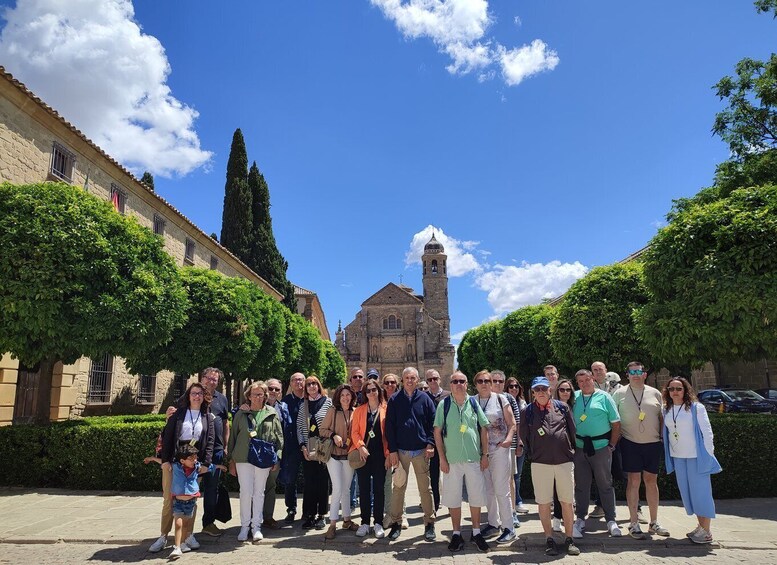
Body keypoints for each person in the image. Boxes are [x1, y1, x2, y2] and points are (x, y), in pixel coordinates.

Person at [520, 377, 580, 556]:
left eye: (543, 389)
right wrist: (535, 453)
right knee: (544, 502)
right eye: (536, 389)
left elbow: (572, 430)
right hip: (540, 463)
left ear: (549, 391)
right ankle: (550, 539)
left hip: (564, 461)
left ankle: (569, 539)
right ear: (532, 392)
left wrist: (570, 451)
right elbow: (524, 435)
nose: (540, 392)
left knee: (567, 502)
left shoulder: (563, 407)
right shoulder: (527, 412)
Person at [433, 371, 491, 552]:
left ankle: (476, 532)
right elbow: (437, 432)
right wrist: (442, 458)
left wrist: (485, 455)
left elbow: (483, 428)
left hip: (474, 459)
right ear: (450, 385)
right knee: (453, 498)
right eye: (455, 381)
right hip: (451, 461)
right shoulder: (444, 404)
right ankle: (456, 534)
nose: (458, 384)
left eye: (462, 381)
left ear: (467, 384)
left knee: (476, 496)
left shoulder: (473, 403)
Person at [612, 361, 670, 539]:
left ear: (644, 374)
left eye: (639, 371)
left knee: (651, 480)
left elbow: (662, 417)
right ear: (627, 375)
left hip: (653, 443)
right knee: (634, 481)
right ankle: (633, 523)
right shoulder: (618, 394)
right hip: (630, 443)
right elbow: (614, 419)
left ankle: (653, 522)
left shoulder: (656, 393)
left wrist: (661, 438)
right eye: (632, 372)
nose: (636, 374)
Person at [159, 381, 215, 553]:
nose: (196, 396)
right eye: (193, 393)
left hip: (194, 464)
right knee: (170, 499)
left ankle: (188, 535)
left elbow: (210, 442)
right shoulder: (178, 414)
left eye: (199, 393)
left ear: (204, 396)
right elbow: (168, 437)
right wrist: (165, 461)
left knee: (191, 500)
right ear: (188, 396)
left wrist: (205, 464)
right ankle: (163, 536)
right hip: (175, 463)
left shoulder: (207, 417)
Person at [662, 377, 720, 544]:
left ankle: (707, 531)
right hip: (679, 457)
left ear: (685, 390)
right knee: (689, 494)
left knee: (701, 494)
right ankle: (700, 527)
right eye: (671, 388)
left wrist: (708, 455)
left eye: (678, 389)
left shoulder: (696, 408)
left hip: (696, 457)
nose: (675, 392)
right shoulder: (667, 409)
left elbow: (707, 433)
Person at [385, 366, 437, 541]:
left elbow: (433, 423)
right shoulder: (394, 400)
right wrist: (392, 451)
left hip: (421, 451)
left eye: (413, 378)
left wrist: (431, 443)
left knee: (425, 489)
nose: (409, 380)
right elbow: (389, 428)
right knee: (398, 488)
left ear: (417, 379)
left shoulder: (426, 399)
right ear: (402, 379)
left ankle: (429, 523)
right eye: (406, 377)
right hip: (400, 452)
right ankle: (396, 523)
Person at [228, 381, 283, 542]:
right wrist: (231, 460)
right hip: (243, 458)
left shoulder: (272, 413)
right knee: (245, 493)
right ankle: (244, 527)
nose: (258, 397)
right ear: (249, 396)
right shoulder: (241, 413)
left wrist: (276, 457)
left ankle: (256, 527)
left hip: (264, 459)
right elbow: (233, 437)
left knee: (259, 493)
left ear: (265, 396)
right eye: (255, 394)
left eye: (261, 394)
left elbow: (279, 437)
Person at [571, 369, 622, 539]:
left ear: (592, 379)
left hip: (601, 447)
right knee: (581, 485)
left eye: (587, 379)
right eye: (580, 381)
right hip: (580, 448)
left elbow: (616, 424)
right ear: (577, 383)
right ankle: (580, 518)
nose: (584, 383)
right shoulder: (574, 397)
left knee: (605, 484)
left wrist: (612, 446)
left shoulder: (604, 397)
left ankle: (610, 520)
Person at [474, 370, 517, 544]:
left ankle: (509, 527)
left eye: (487, 380)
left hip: (499, 449)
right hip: (481, 452)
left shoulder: (500, 399)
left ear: (492, 383)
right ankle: (493, 523)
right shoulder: (472, 401)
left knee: (501, 489)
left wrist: (508, 440)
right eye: (480, 381)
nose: (484, 383)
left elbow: (512, 423)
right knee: (488, 490)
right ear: (475, 384)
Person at [168, 444, 226, 560]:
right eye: (191, 459)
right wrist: (152, 459)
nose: (194, 460)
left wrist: (220, 466)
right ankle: (177, 547)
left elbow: (210, 467)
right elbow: (163, 462)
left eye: (195, 458)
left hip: (190, 502)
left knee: (185, 525)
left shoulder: (197, 467)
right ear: (182, 460)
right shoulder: (175, 467)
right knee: (178, 524)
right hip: (178, 502)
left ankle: (183, 543)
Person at [349, 378, 389, 538]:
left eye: (374, 390)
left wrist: (389, 454)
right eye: (368, 391)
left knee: (379, 490)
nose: (371, 393)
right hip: (362, 455)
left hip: (380, 455)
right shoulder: (359, 410)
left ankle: (378, 522)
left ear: (379, 391)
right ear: (364, 394)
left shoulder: (386, 409)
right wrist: (361, 446)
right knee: (364, 490)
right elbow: (354, 432)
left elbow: (390, 433)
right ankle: (365, 522)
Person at [589, 361, 625, 521]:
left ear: (606, 370)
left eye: (600, 369)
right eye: (594, 370)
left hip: (618, 434)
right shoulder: (588, 388)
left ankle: (636, 508)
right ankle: (600, 505)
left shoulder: (617, 386)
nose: (597, 372)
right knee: (600, 472)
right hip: (600, 436)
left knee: (624, 471)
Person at [320, 384, 357, 539]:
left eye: (348, 395)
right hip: (334, 456)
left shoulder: (356, 412)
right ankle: (333, 523)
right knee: (337, 488)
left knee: (347, 489)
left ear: (352, 397)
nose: (345, 398)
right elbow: (322, 430)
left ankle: (347, 520)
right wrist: (334, 435)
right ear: (338, 397)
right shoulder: (332, 411)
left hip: (348, 455)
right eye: (342, 395)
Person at [197, 368, 230, 538]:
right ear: (202, 378)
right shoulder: (194, 395)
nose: (211, 382)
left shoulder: (222, 399)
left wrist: (225, 446)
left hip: (216, 452)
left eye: (215, 380)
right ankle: (184, 526)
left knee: (211, 489)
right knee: (189, 489)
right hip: (194, 452)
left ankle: (208, 523)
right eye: (209, 378)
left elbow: (225, 424)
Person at [296, 375, 332, 530]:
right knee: (310, 483)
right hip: (308, 449)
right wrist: (302, 446)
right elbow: (299, 427)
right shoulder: (303, 405)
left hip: (323, 448)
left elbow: (331, 424)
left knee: (323, 482)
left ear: (318, 386)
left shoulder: (328, 402)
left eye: (314, 384)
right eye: (308, 384)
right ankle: (309, 515)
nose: (311, 386)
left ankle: (322, 515)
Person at [491, 369, 524, 526]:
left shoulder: (509, 398)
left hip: (508, 446)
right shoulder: (484, 398)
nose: (497, 384)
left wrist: (518, 443)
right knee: (491, 481)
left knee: (509, 479)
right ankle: (496, 515)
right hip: (489, 448)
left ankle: (512, 513)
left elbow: (516, 422)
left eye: (500, 381)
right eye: (494, 381)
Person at [261, 378, 291, 528]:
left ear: (280, 393)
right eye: (270, 388)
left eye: (276, 390)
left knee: (270, 485)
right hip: (258, 453)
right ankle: (252, 519)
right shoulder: (256, 406)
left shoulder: (283, 408)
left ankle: (268, 517)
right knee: (256, 487)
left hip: (275, 454)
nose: (273, 392)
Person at [551, 378, 576, 533]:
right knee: (558, 487)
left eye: (568, 390)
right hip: (559, 452)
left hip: (576, 449)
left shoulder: (576, 405)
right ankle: (556, 519)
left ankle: (573, 521)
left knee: (573, 487)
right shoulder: (553, 406)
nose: (565, 392)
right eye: (562, 390)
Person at [281, 372, 306, 523]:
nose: (298, 382)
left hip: (308, 446)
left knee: (310, 480)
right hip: (291, 446)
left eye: (301, 380)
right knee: (290, 479)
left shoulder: (310, 400)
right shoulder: (284, 402)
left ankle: (309, 511)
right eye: (295, 380)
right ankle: (291, 509)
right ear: (290, 383)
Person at [380, 373, 403, 528]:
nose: (390, 385)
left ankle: (402, 515)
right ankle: (388, 514)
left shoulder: (403, 400)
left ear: (397, 384)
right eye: (387, 383)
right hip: (384, 448)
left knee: (401, 482)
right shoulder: (379, 403)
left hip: (401, 447)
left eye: (392, 382)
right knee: (387, 482)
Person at [425, 368, 449, 513]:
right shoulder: (424, 397)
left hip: (448, 442)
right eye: (430, 379)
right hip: (432, 442)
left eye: (435, 378)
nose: (433, 381)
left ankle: (452, 503)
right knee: (433, 475)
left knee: (451, 474)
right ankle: (435, 504)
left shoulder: (448, 396)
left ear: (439, 379)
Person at [505, 377, 529, 516]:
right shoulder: (504, 401)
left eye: (516, 386)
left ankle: (517, 500)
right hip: (510, 443)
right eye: (511, 386)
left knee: (517, 474)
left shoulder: (523, 403)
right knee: (510, 475)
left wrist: (522, 441)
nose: (514, 388)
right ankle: (512, 502)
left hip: (521, 442)